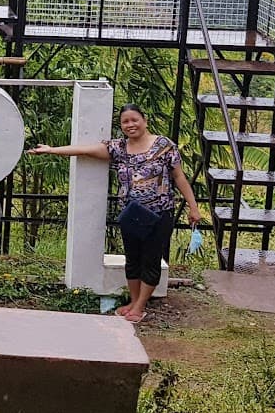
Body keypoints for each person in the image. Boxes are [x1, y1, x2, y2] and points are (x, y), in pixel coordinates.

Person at [29, 104, 202, 324]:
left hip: (159, 214)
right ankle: (133, 301)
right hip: (131, 215)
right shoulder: (119, 148)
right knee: (132, 260)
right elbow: (85, 150)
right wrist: (52, 150)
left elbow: (179, 177)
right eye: (125, 122)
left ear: (145, 121)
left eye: (134, 120)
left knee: (150, 259)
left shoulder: (164, 146)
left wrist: (193, 207)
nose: (130, 125)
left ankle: (139, 307)